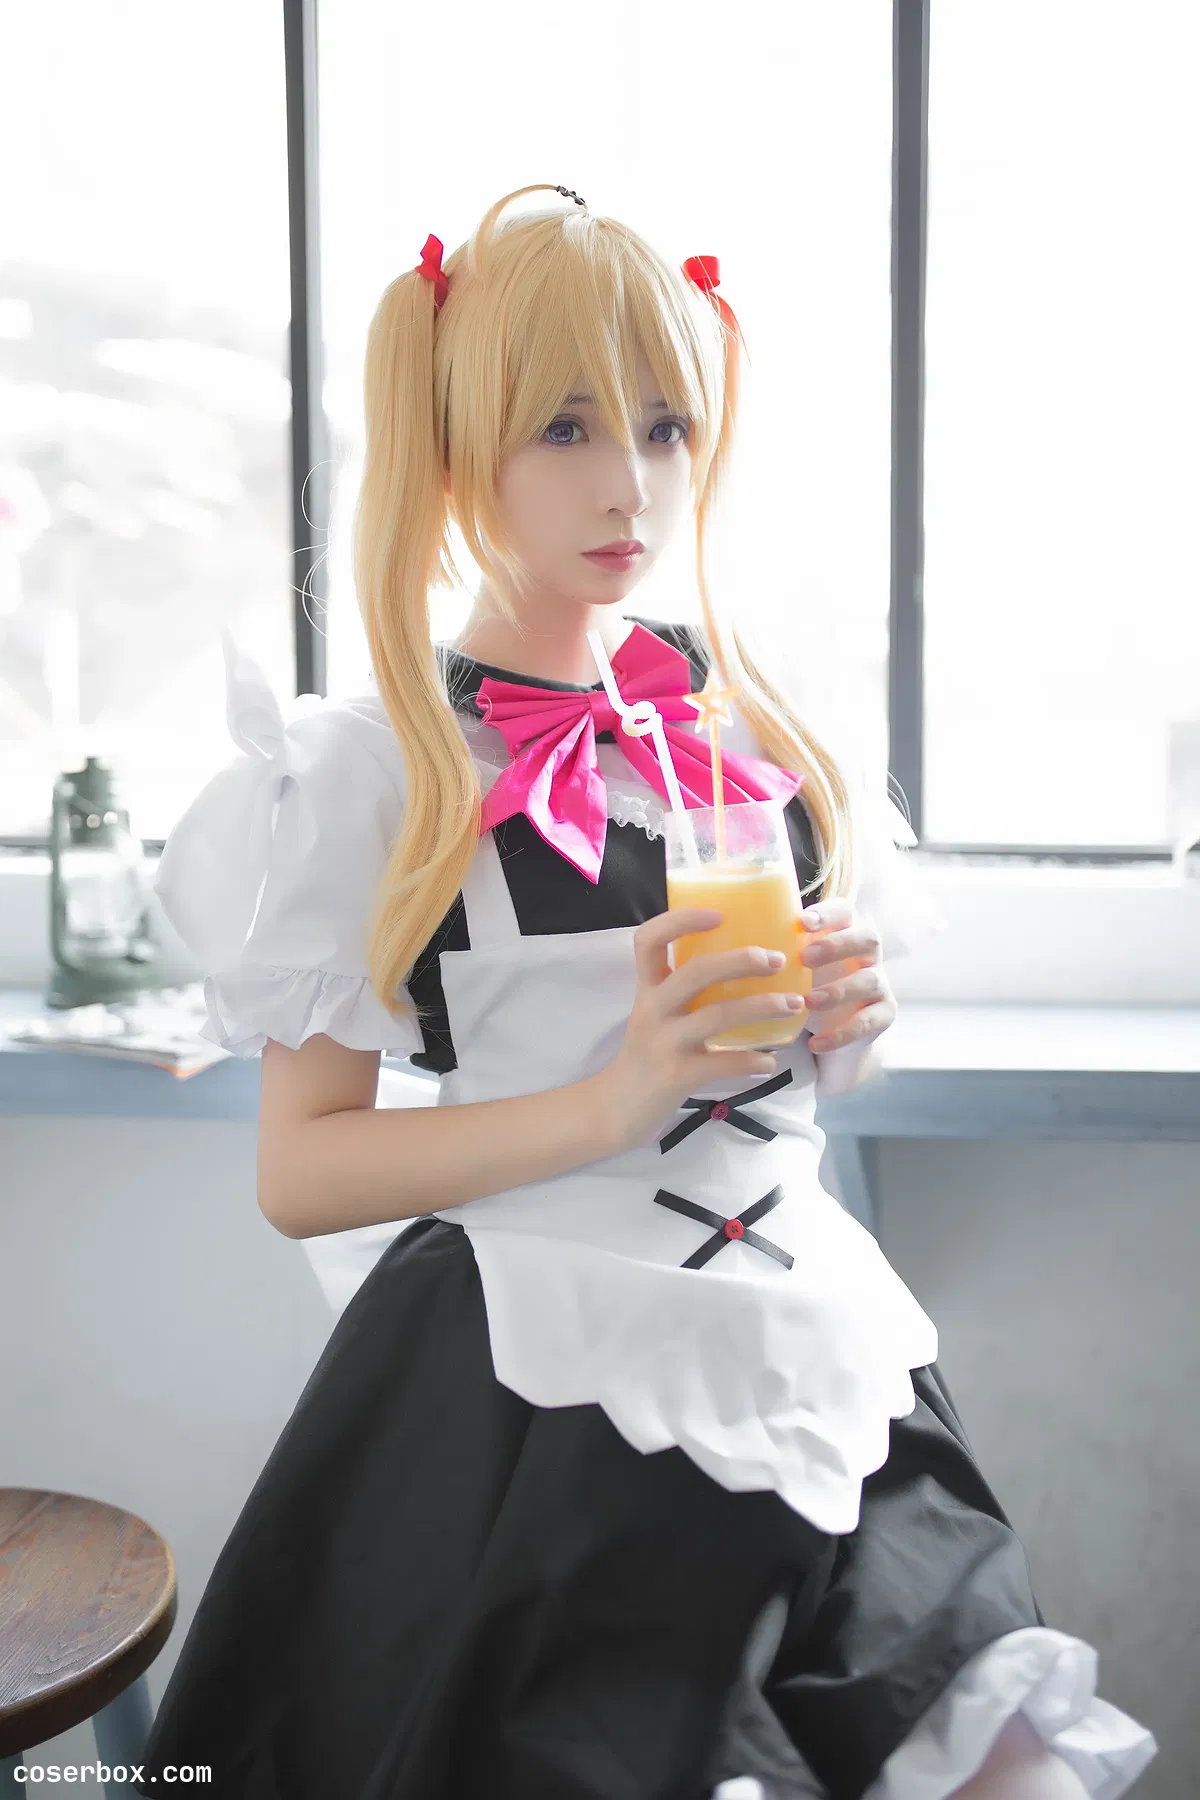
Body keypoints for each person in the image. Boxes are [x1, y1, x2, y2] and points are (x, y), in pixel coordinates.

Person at [138, 185, 1156, 1800]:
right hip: (539, 1384)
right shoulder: (373, 773)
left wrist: (845, 1029)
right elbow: (301, 1171)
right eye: (565, 427)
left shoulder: (758, 732)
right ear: (458, 447)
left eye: (666, 425)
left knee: (971, 1755)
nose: (631, 482)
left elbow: (778, 1085)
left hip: (819, 1344)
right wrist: (609, 1102)